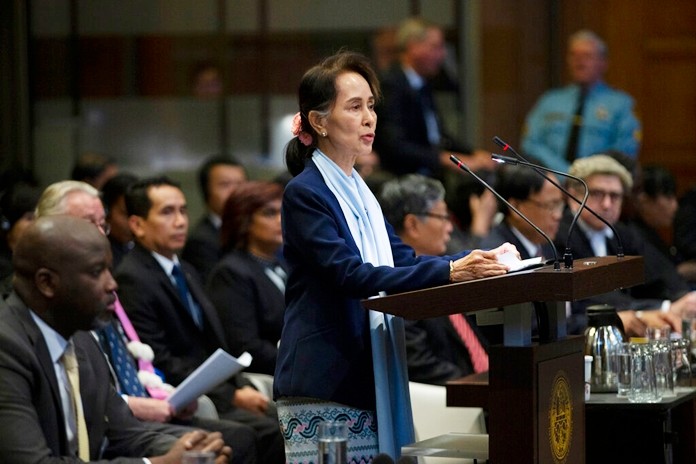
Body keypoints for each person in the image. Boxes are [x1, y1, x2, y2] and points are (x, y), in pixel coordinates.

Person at [273, 50, 517, 463]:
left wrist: (474, 261)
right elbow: (349, 274)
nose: (369, 118)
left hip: (366, 371)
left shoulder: (361, 192)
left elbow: (401, 258)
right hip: (324, 378)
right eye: (354, 107)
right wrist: (451, 270)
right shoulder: (306, 193)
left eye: (371, 106)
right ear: (318, 121)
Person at [34, 179, 259, 464]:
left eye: (102, 224)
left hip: (131, 414)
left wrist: (166, 399)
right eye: (85, 223)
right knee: (233, 439)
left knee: (218, 443)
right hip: (103, 427)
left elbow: (129, 373)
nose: (99, 234)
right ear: (47, 231)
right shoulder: (61, 310)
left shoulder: (114, 287)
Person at [0, 214, 231, 463]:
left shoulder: (82, 338)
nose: (112, 285)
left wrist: (190, 450)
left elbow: (126, 433)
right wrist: (159, 463)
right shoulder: (7, 347)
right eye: (97, 272)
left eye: (109, 269)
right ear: (46, 282)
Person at [116, 176, 285, 464]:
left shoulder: (186, 269)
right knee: (264, 432)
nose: (181, 221)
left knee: (289, 421)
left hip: (218, 387)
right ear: (137, 225)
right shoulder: (133, 278)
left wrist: (236, 384)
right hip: (180, 397)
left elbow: (212, 343)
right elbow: (161, 358)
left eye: (183, 210)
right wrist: (230, 395)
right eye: (167, 212)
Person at [556, 155, 696, 336]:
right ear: (574, 195)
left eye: (614, 196)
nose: (607, 204)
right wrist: (664, 307)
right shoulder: (560, 235)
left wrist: (684, 299)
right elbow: (590, 297)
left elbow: (660, 274)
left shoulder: (621, 233)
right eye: (597, 194)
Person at [379, 174, 490, 384]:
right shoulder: (400, 286)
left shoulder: (444, 271)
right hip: (452, 400)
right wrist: (482, 389)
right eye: (442, 217)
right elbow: (421, 365)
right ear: (412, 224)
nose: (450, 228)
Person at [373, 17, 495, 180]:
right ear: (413, 47)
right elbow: (395, 145)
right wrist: (444, 158)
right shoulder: (391, 84)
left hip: (432, 175)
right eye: (435, 47)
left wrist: (473, 153)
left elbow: (438, 134)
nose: (442, 54)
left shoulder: (424, 84)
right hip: (404, 179)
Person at [521, 30, 641, 173]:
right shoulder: (549, 102)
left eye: (587, 56)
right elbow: (530, 144)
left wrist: (587, 173)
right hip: (551, 182)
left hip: (598, 183)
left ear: (603, 63)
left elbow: (624, 151)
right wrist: (564, 173)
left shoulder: (620, 105)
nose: (580, 61)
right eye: (574, 55)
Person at [206, 181, 286, 376]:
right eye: (269, 213)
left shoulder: (282, 265)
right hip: (265, 375)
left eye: (283, 211)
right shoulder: (231, 272)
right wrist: (302, 362)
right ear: (244, 220)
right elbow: (245, 346)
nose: (280, 220)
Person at [480, 163, 564, 262]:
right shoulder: (498, 256)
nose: (558, 215)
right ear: (515, 207)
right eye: (550, 206)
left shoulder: (549, 244)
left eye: (559, 204)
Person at [183, 156, 247, 282]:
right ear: (206, 192)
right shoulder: (201, 242)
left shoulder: (250, 230)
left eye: (240, 184)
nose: (235, 191)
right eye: (225, 184)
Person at [102, 172, 139, 269]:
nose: (134, 223)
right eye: (126, 214)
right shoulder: (99, 255)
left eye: (138, 214)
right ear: (106, 212)